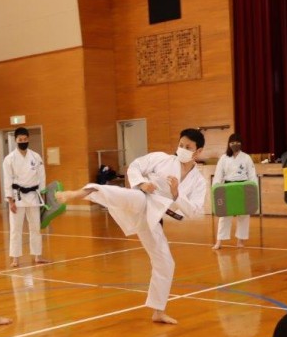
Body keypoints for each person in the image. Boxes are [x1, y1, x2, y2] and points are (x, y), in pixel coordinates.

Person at [55, 129, 208, 324]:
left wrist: (177, 193)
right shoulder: (161, 159)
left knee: (166, 263)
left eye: (188, 147)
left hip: (154, 219)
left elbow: (194, 211)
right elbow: (135, 166)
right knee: (124, 195)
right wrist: (143, 183)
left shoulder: (198, 181)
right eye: (181, 145)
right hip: (142, 199)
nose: (182, 149)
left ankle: (158, 311)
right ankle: (84, 191)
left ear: (198, 151)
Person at [2, 127, 49, 268]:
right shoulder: (9, 159)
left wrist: (42, 194)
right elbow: (7, 180)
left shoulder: (36, 157)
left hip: (34, 196)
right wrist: (10, 201)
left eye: (25, 139)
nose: (23, 142)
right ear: (15, 140)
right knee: (16, 229)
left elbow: (41, 177)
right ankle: (15, 259)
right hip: (18, 197)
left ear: (28, 139)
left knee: (35, 227)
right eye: (20, 140)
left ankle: (37, 256)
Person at [212, 133, 258, 250]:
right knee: (224, 216)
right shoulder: (224, 158)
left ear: (241, 144)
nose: (235, 145)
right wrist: (216, 186)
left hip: (243, 187)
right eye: (232, 142)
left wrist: (253, 188)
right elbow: (218, 174)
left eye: (237, 142)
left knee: (244, 215)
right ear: (229, 144)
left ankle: (240, 241)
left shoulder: (246, 157)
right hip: (228, 187)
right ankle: (219, 241)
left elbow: (252, 175)